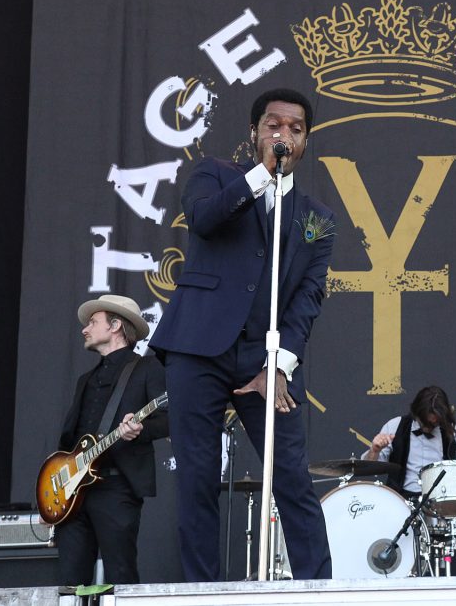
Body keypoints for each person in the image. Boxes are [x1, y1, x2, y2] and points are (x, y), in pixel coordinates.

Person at [150, 88, 334, 581]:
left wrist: (279, 365)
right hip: (198, 348)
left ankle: (318, 587)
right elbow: (204, 220)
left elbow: (307, 298)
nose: (284, 134)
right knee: (198, 476)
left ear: (306, 141)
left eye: (296, 129)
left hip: (264, 356)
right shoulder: (215, 174)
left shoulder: (317, 219)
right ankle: (202, 590)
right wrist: (261, 177)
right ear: (254, 132)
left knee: (292, 475)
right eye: (274, 125)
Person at [56, 294, 168, 585]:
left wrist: (140, 430)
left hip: (116, 487)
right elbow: (69, 441)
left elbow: (170, 418)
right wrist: (54, 491)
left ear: (116, 325)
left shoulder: (147, 368)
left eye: (93, 322)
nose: (85, 329)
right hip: (73, 492)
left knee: (120, 575)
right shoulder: (85, 379)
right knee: (70, 582)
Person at [363, 386, 456, 575]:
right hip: (405, 503)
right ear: (416, 412)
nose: (430, 425)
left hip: (445, 504)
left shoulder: (454, 433)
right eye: (426, 422)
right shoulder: (395, 426)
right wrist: (374, 450)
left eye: (435, 422)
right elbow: (369, 467)